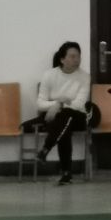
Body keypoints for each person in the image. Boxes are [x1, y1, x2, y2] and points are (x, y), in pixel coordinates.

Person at [33, 41, 91, 184]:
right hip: (58, 118)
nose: (76, 60)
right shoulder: (49, 75)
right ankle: (66, 173)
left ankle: (46, 149)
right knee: (64, 122)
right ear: (62, 59)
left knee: (66, 115)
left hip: (78, 116)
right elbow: (40, 104)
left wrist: (58, 104)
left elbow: (79, 104)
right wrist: (59, 103)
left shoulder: (84, 77)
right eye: (72, 56)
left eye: (78, 56)